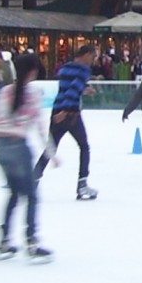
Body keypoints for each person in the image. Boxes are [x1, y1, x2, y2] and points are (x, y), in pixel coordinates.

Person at [0, 53, 54, 262]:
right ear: (33, 71)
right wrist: (51, 153)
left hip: (0, 146)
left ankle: (4, 240)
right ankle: (32, 241)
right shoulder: (33, 94)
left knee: (14, 193)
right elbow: (40, 128)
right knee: (31, 195)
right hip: (18, 146)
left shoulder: (4, 92)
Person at [34, 44, 99, 200]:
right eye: (93, 56)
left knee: (51, 148)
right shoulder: (83, 70)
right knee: (84, 147)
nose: (93, 60)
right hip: (70, 113)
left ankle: (32, 180)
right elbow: (72, 90)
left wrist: (84, 90)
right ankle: (82, 185)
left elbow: (68, 87)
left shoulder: (65, 68)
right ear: (87, 54)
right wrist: (65, 111)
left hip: (57, 110)